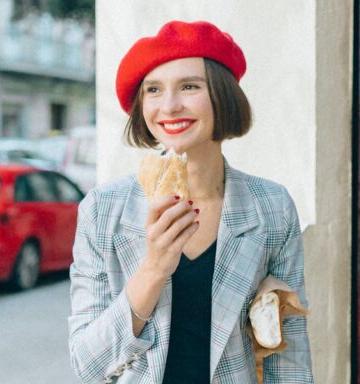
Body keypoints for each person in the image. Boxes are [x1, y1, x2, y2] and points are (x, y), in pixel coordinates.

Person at [68, 20, 313, 384]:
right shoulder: (103, 210)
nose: (169, 105)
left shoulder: (271, 207)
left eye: (189, 86)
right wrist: (152, 270)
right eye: (153, 90)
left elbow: (288, 354)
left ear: (222, 95)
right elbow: (87, 366)